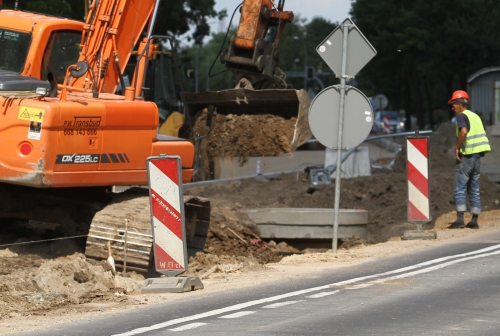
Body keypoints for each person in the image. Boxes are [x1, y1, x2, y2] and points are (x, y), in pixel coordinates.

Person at [448, 90, 491, 229]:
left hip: (466, 156)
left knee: (459, 187)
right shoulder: (475, 116)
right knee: (474, 188)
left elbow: (464, 131)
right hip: (477, 157)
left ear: (460, 104)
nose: (452, 107)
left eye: (454, 104)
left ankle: (460, 219)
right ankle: (474, 220)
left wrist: (457, 147)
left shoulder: (462, 116)